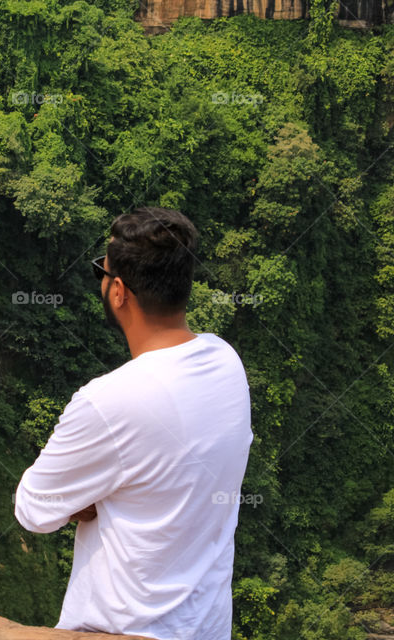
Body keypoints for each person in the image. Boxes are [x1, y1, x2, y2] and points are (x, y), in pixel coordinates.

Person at [14, 207, 253, 640]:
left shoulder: (107, 401)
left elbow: (33, 509)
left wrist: (91, 498)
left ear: (119, 291)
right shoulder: (227, 362)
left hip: (122, 631)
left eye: (101, 274)